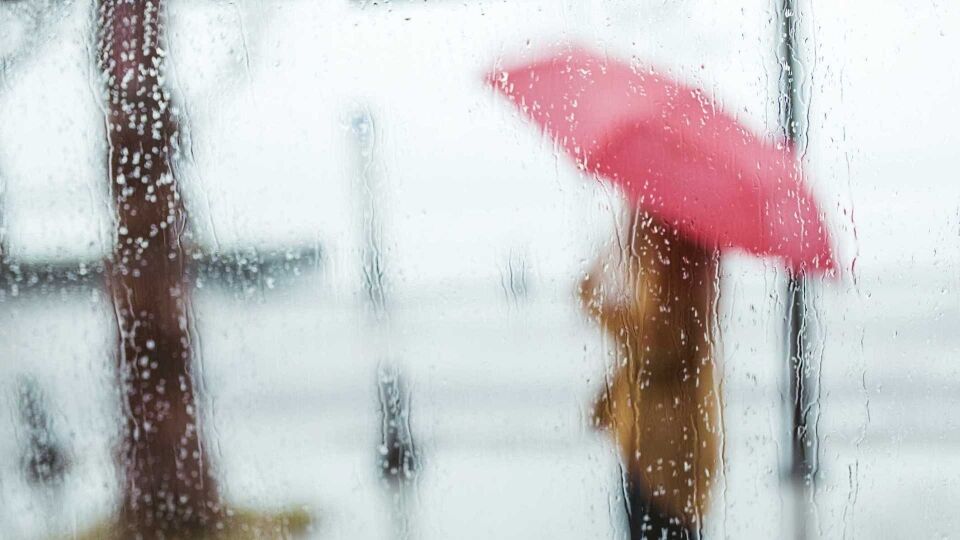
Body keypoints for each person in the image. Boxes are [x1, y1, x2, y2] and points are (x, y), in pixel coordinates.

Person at [579, 210, 721, 539]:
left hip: (666, 458)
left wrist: (599, 302)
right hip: (655, 450)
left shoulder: (679, 270)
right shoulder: (671, 268)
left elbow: (658, 349)